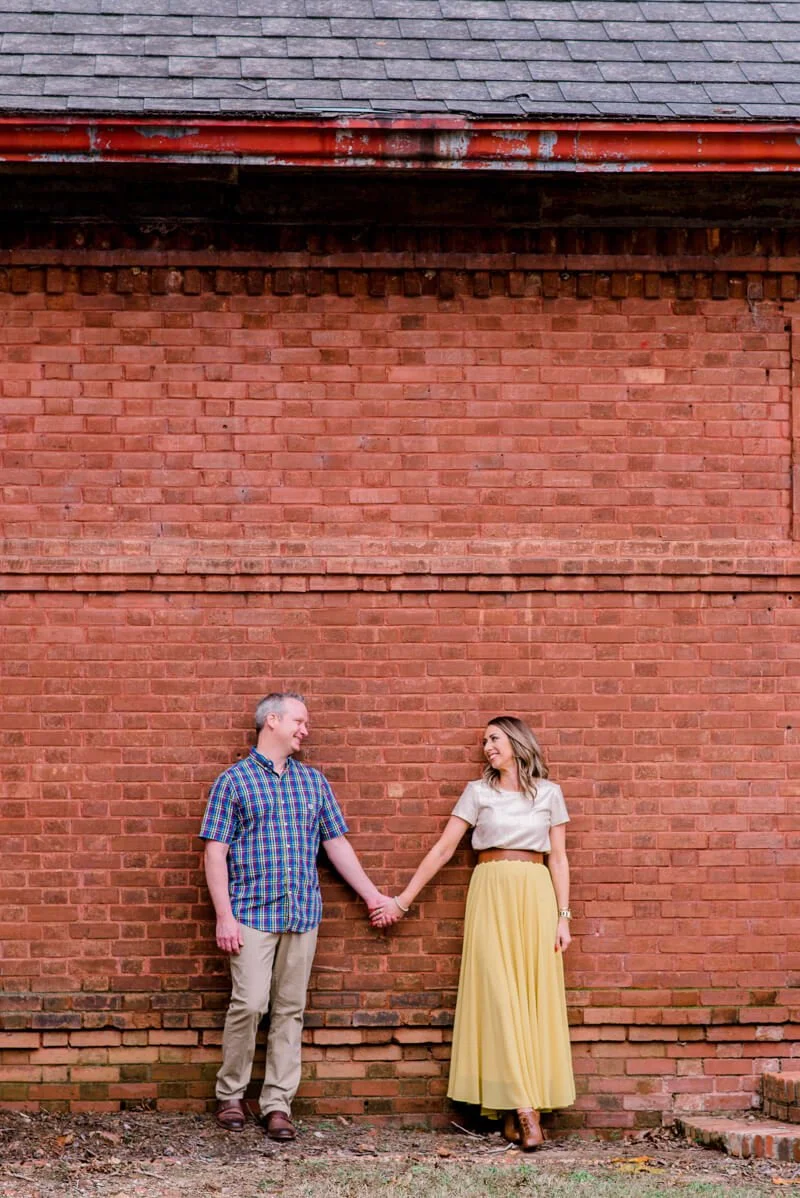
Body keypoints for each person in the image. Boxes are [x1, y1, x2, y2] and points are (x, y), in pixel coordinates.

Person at [372, 715, 575, 1150]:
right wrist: (403, 900)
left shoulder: (550, 794)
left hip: (534, 895)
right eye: (484, 741)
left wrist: (563, 915)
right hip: (490, 893)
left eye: (494, 739)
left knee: (529, 1000)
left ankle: (512, 1109)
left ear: (518, 743)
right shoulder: (477, 793)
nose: (487, 747)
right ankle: (525, 1109)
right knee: (500, 997)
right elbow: (444, 849)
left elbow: (558, 858)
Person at [200, 690, 392, 1140]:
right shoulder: (234, 782)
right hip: (250, 913)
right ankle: (231, 1095)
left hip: (302, 913)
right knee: (248, 1005)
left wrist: (371, 895)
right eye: (299, 721)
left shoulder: (313, 782)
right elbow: (215, 852)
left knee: (290, 1010)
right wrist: (223, 916)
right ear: (272, 721)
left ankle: (277, 1105)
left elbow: (335, 844)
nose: (305, 730)